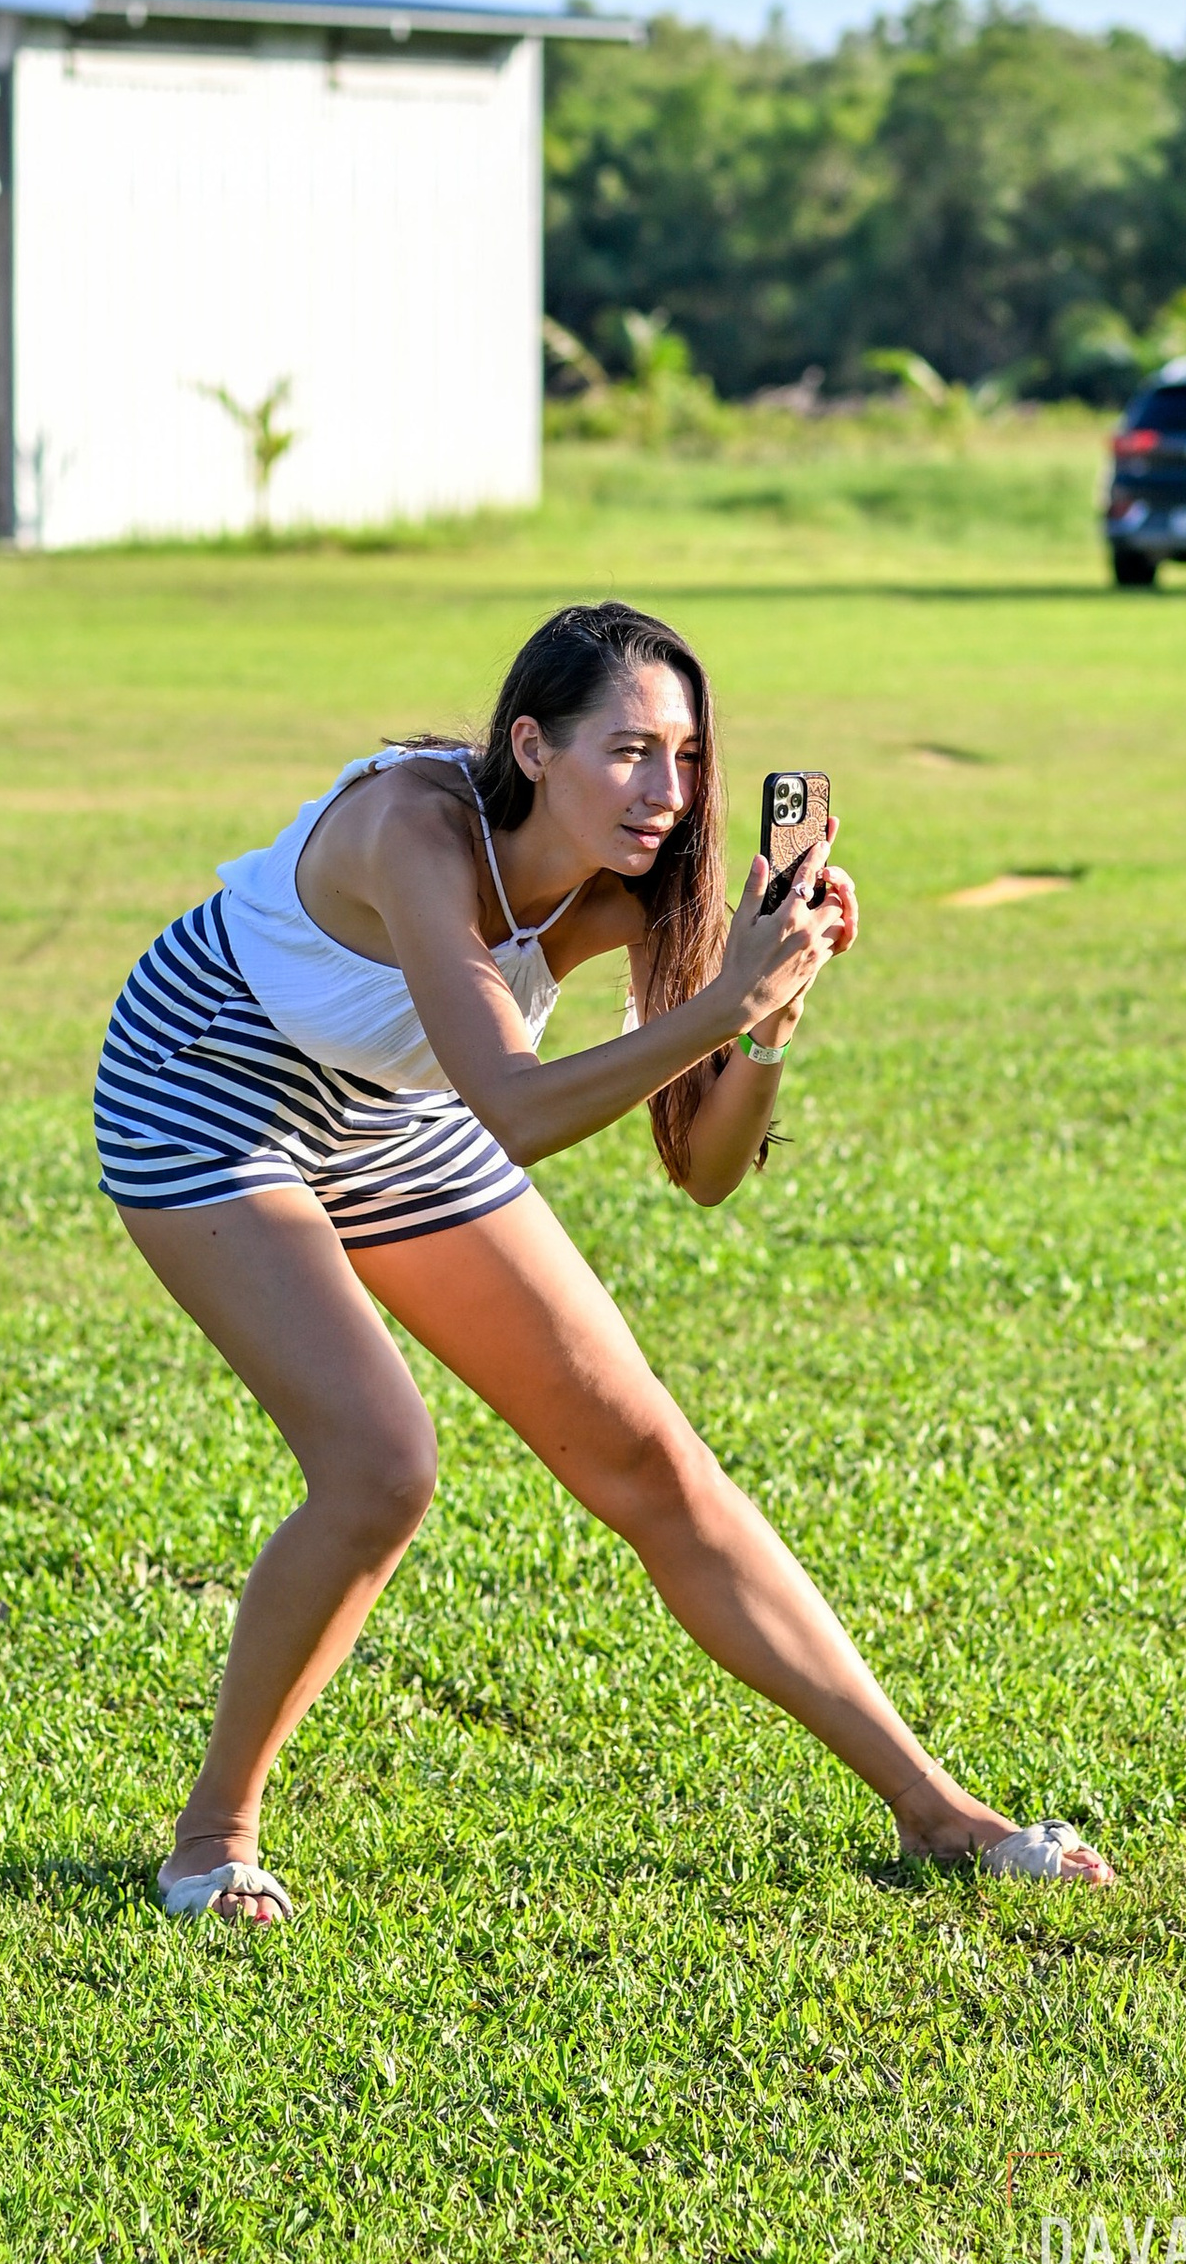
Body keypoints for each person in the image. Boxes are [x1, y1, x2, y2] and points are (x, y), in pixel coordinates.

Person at [96, 598, 1113, 1920]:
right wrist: (721, 1000)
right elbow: (517, 1110)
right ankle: (211, 1840)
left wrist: (766, 1018)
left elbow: (703, 1169)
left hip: (401, 1104)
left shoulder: (642, 884)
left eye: (687, 756)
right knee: (379, 1463)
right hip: (210, 1079)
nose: (667, 789)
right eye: (628, 750)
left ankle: (938, 1811)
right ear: (531, 744)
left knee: (653, 1458)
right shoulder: (416, 828)